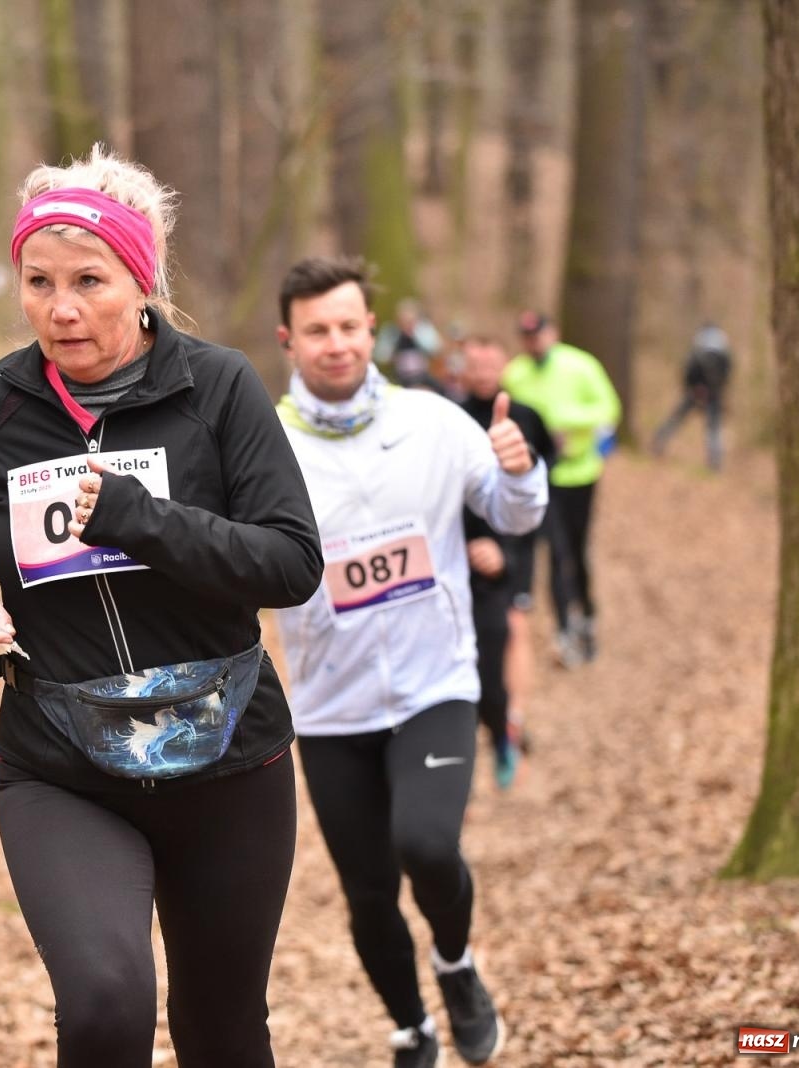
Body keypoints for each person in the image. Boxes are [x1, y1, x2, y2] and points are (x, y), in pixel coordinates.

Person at [0, 145, 323, 1068]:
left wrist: (144, 520)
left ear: (142, 283)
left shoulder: (219, 389)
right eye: (39, 282)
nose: (61, 308)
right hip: (61, 760)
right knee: (104, 1004)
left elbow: (290, 562)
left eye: (88, 281)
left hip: (227, 755)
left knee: (222, 1031)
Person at [272, 257, 548, 1068]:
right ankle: (411, 1026)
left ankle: (456, 964)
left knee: (427, 845)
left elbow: (511, 513)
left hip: (435, 685)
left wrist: (519, 469)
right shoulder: (265, 445)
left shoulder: (432, 420)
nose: (335, 344)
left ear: (373, 332)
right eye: (317, 330)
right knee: (368, 892)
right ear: (289, 340)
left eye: (348, 327)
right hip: (330, 706)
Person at [456, 336, 556, 789]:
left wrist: (511, 549)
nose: (482, 373)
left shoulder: (526, 416)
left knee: (512, 626)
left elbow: (542, 477)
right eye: (474, 365)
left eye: (489, 364)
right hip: (462, 553)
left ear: (504, 365)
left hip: (514, 547)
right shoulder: (450, 416)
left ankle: (509, 723)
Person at [502, 311, 622, 667]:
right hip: (539, 477)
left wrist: (565, 421)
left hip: (580, 473)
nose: (533, 341)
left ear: (552, 333)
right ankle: (564, 629)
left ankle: (586, 614)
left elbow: (609, 409)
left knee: (576, 550)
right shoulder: (514, 374)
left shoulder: (581, 365)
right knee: (556, 553)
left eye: (538, 334)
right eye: (527, 336)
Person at [652, 323, 732, 471]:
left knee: (677, 418)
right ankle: (715, 460)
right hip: (709, 392)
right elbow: (727, 373)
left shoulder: (700, 342)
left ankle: (659, 441)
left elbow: (688, 368)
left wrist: (693, 387)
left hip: (697, 391)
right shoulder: (722, 346)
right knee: (713, 427)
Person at [373, 297, 445, 391]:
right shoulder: (392, 333)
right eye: (403, 320)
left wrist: (416, 334)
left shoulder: (423, 330)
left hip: (423, 376)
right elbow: (380, 355)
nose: (407, 324)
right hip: (399, 377)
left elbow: (436, 349)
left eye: (410, 320)